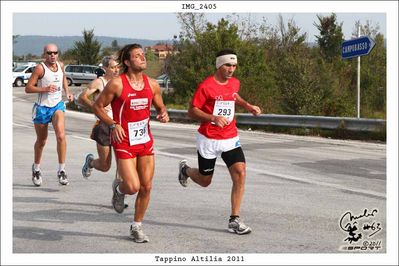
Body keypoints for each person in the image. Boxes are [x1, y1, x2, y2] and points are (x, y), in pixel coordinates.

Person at [177, 49, 261, 235]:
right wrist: (212, 118)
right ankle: (186, 171)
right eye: (227, 65)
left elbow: (233, 95)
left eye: (234, 65)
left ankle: (235, 219)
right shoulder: (206, 86)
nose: (231, 69)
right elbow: (192, 111)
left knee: (240, 172)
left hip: (230, 137)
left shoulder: (234, 83)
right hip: (209, 139)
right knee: (205, 181)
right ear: (218, 65)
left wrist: (248, 106)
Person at [93, 44, 169, 243]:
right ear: (127, 62)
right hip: (123, 140)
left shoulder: (152, 84)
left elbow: (161, 106)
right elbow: (97, 106)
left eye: (143, 55)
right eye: (137, 56)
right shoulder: (117, 84)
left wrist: (163, 113)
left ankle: (136, 226)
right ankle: (119, 190)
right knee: (133, 186)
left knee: (146, 186)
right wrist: (112, 124)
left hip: (144, 140)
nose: (143, 58)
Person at [25, 43, 74, 186]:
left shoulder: (61, 65)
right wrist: (45, 88)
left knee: (61, 136)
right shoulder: (40, 68)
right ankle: (36, 168)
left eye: (55, 52)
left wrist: (67, 92)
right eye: (49, 53)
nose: (52, 55)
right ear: (44, 54)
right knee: (42, 141)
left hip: (57, 106)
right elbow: (28, 88)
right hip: (42, 108)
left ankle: (62, 170)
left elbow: (63, 77)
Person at [79, 56, 119, 179]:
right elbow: (82, 97)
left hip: (119, 125)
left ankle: (119, 191)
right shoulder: (99, 82)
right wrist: (96, 107)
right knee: (105, 166)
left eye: (118, 67)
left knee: (123, 162)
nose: (116, 70)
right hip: (103, 125)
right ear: (105, 68)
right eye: (113, 67)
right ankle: (90, 162)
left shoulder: (120, 82)